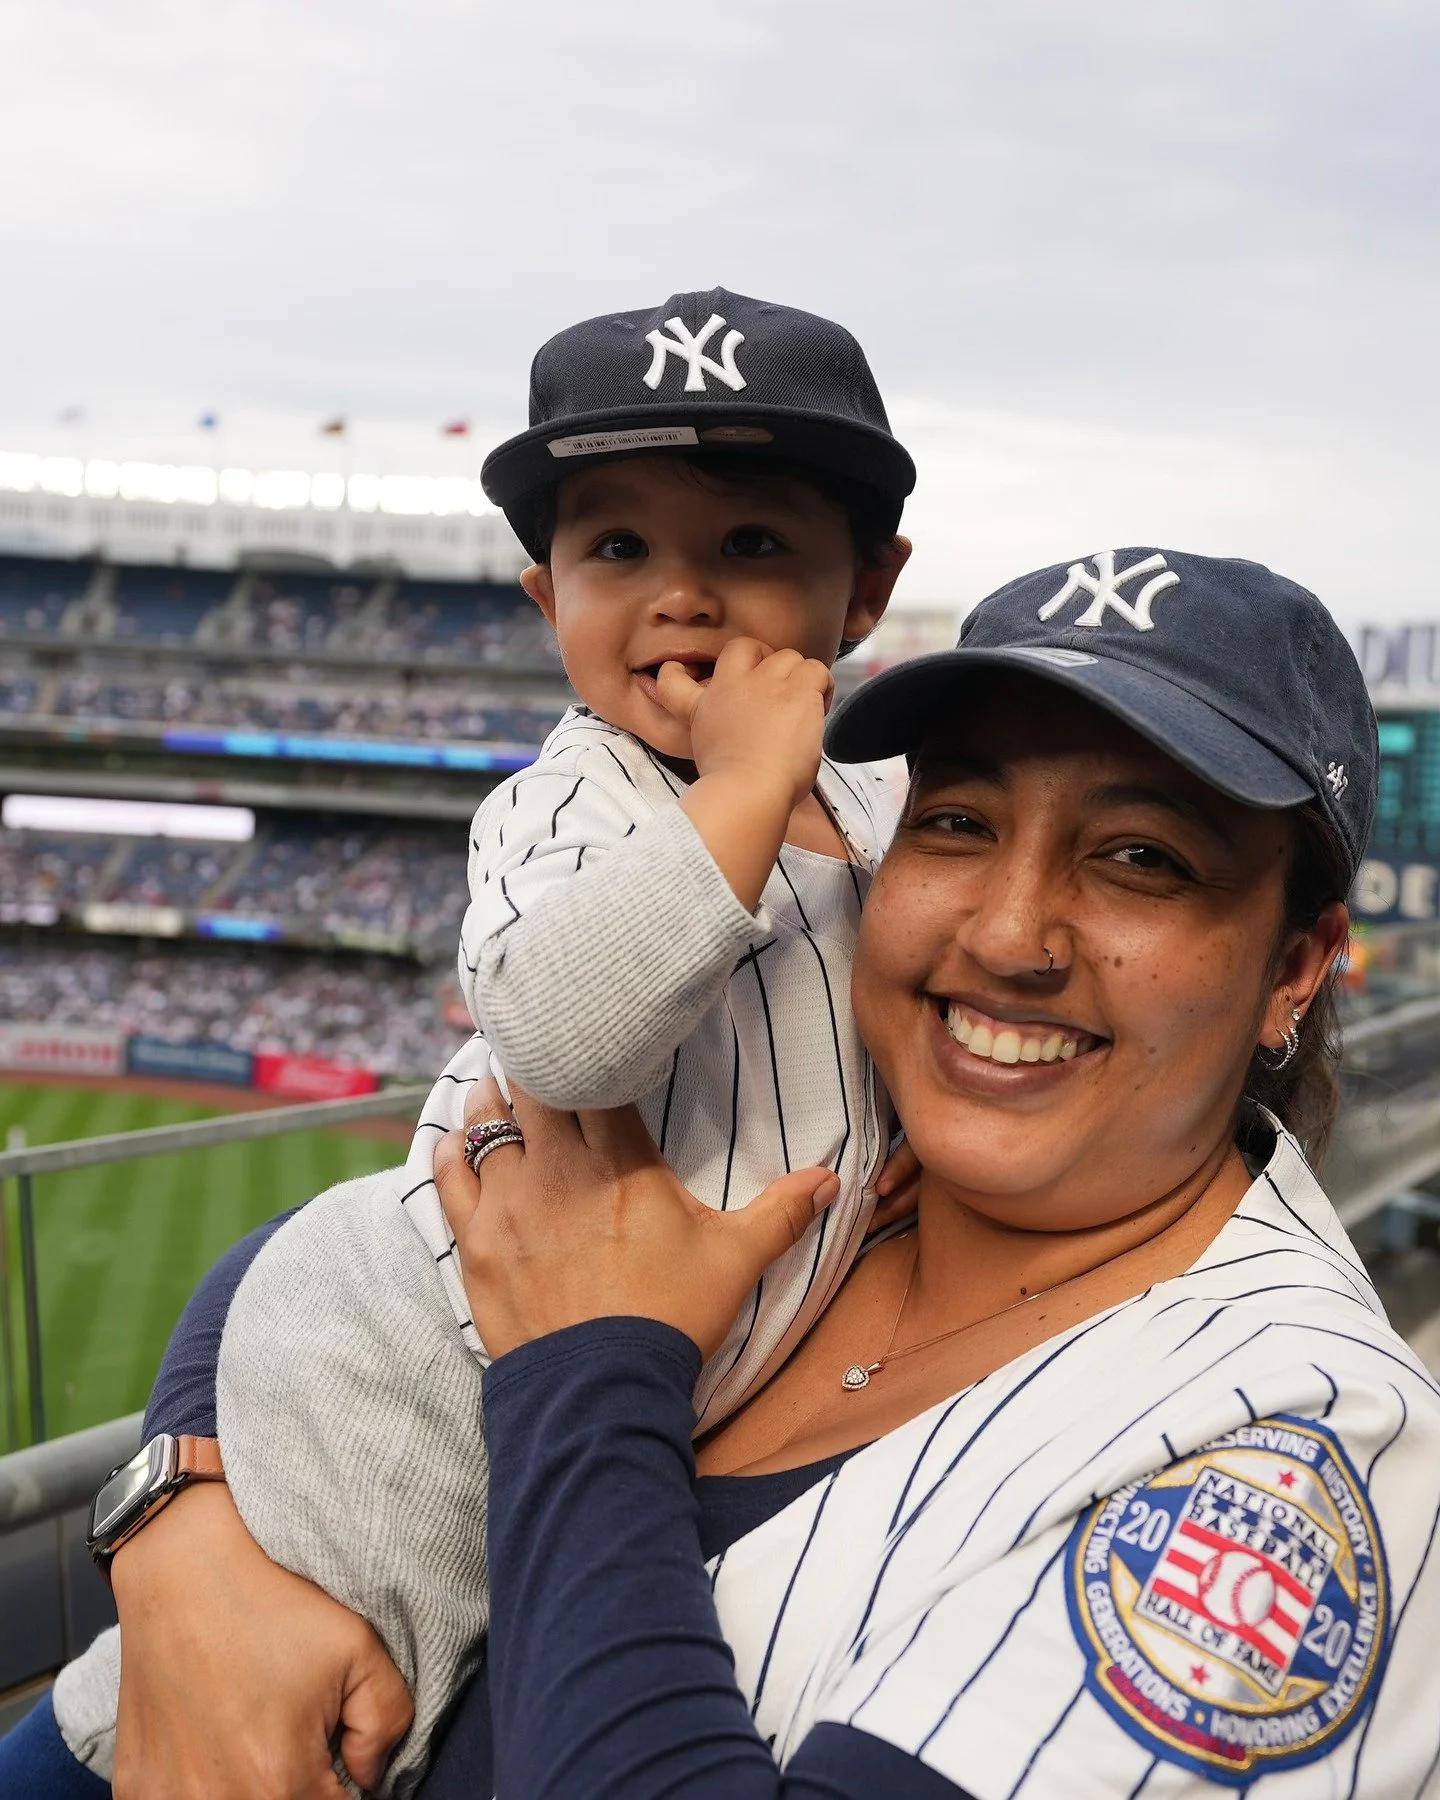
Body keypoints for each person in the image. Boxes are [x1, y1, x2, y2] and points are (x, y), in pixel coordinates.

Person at [10, 544, 1440, 1799]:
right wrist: (181, 1514)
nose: (1012, 931)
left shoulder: (1311, 1452)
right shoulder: (854, 1133)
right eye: (957, 822)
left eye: (1141, 857)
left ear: (1295, 970)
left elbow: (550, 1326)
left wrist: (589, 1365)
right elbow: (362, 1240)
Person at [15, 287, 920, 1795]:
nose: (680, 596)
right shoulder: (567, 802)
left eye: (753, 543)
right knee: (302, 1702)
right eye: (615, 546)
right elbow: (564, 1042)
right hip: (430, 1341)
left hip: (624, 1350)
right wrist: (744, 791)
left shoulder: (899, 818)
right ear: (541, 597)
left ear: (870, 588)